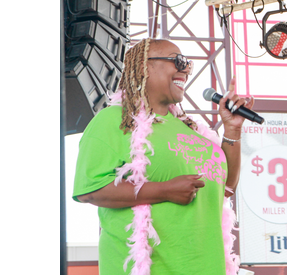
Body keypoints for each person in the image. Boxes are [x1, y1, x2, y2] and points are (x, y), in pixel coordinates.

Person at [72, 38, 254, 275]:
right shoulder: (114, 120)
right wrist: (164, 190)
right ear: (144, 67)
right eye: (177, 61)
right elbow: (89, 190)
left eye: (188, 64)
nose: (186, 69)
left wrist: (232, 130)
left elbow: (226, 187)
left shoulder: (195, 131)